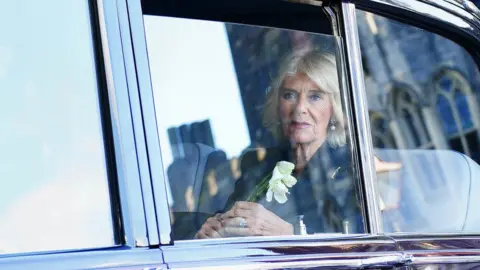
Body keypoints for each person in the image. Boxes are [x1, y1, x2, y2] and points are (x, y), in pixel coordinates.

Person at [195, 50, 365, 239]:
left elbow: (363, 249)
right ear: (277, 105)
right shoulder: (258, 174)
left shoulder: (357, 170)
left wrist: (291, 236)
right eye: (289, 95)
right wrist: (213, 237)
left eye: (315, 96)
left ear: (334, 107)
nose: (300, 108)